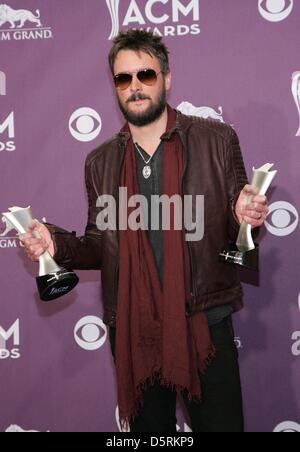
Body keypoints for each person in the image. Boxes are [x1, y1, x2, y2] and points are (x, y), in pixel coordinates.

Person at [20, 30, 269, 433]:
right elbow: (100, 245)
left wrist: (245, 218)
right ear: (115, 86)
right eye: (123, 78)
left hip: (204, 324)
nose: (135, 87)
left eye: (145, 75)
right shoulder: (99, 161)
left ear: (167, 78)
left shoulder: (216, 140)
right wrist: (55, 244)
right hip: (135, 332)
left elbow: (237, 234)